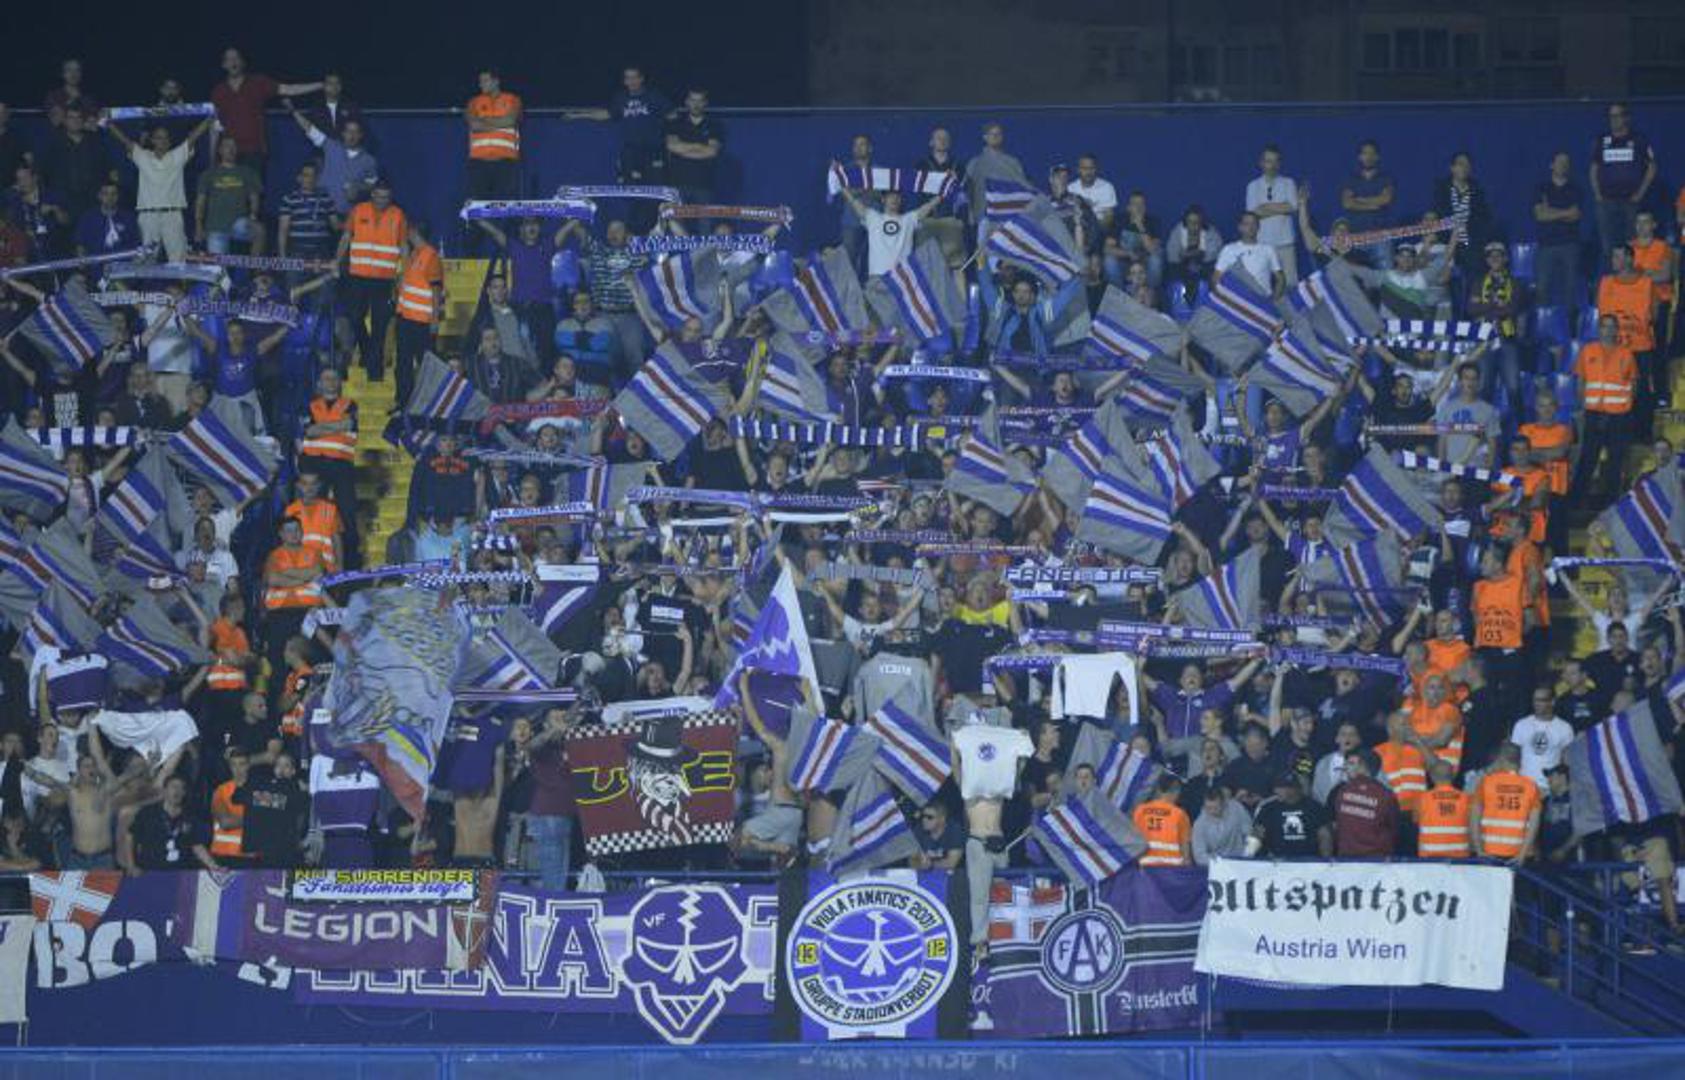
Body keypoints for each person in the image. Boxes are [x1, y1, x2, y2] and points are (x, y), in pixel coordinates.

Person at [952, 715, 1031, 961]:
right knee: (979, 896)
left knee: (1006, 892)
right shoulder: (968, 783)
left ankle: (1011, 937)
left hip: (1000, 843)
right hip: (978, 842)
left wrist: (1022, 745)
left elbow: (1016, 772)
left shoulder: (998, 778)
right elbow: (956, 768)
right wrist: (954, 744)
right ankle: (980, 943)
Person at [103, 113, 213, 263]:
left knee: (178, 260)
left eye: (165, 138)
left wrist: (208, 120)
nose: (163, 140)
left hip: (172, 215)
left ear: (169, 141)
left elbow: (193, 138)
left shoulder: (177, 156)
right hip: (148, 216)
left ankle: (178, 279)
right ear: (152, 140)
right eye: (159, 137)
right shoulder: (143, 156)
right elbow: (125, 141)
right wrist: (109, 124)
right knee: (146, 261)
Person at [337, 177, 407, 379]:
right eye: (378, 196)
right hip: (358, 276)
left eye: (386, 197)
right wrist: (336, 260)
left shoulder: (398, 215)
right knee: (354, 318)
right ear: (372, 194)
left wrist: (404, 272)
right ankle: (368, 352)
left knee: (380, 325)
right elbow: (346, 237)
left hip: (383, 279)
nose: (382, 200)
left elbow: (403, 245)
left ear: (390, 197)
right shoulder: (359, 210)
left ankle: (374, 373)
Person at [210, 46, 322, 170]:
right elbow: (215, 126)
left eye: (236, 58)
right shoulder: (218, 91)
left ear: (243, 62)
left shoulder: (258, 82)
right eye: (229, 59)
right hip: (229, 153)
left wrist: (321, 85)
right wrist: (212, 157)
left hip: (254, 151)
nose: (233, 62)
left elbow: (289, 89)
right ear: (224, 65)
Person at [1570, 314, 1638, 503]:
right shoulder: (1587, 351)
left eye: (1612, 326)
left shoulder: (1626, 354)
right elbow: (1581, 381)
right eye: (1604, 326)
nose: (1608, 330)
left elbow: (1633, 385)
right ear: (1598, 329)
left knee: (1615, 459)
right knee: (1588, 458)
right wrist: (1585, 405)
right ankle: (1576, 500)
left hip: (1618, 416)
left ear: (1617, 330)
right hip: (1594, 413)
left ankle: (1611, 501)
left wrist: (1625, 406)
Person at [283, 100, 378, 215]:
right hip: (321, 213)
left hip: (347, 215)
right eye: (348, 131)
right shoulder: (331, 146)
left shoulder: (369, 161)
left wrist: (358, 188)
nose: (352, 136)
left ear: (361, 135)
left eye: (355, 132)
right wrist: (292, 110)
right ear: (343, 133)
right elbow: (309, 128)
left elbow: (372, 185)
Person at [1590, 102, 1657, 260]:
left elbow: (1652, 167)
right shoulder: (1602, 140)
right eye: (1611, 116)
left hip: (1631, 201)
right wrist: (1598, 195)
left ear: (1626, 118)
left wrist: (1640, 194)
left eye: (1617, 115)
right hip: (1607, 202)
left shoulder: (1639, 139)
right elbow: (1593, 169)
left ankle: (1632, 273)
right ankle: (1612, 274)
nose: (1614, 120)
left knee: (1632, 243)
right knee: (1608, 244)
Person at [394, 220, 446, 406]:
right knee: (403, 364)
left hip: (422, 321)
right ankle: (403, 402)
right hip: (405, 318)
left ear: (414, 231)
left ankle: (430, 403)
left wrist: (434, 320)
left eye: (408, 230)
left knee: (426, 365)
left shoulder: (431, 256)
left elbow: (436, 290)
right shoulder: (414, 254)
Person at [837, 184, 939, 275]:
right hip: (878, 278)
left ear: (901, 200)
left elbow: (929, 206)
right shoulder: (873, 217)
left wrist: (942, 193)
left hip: (903, 280)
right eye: (890, 196)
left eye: (897, 196)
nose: (894, 199)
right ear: (883, 200)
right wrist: (842, 186)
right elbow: (853, 202)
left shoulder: (909, 219)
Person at [1471, 742, 1542, 864]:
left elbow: (1474, 819)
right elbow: (1534, 824)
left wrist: (1479, 851)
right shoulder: (1531, 786)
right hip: (1518, 854)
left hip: (1489, 851)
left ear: (1501, 758)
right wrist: (1522, 855)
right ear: (1520, 760)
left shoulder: (1486, 782)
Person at [232, 751, 307, 867]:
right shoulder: (262, 783)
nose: (281, 768)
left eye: (286, 765)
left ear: (293, 771)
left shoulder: (296, 788)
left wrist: (257, 798)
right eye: (278, 764)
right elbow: (237, 797)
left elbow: (291, 803)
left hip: (282, 850)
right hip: (256, 849)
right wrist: (273, 800)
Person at [126, 774, 216, 871]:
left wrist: (213, 865)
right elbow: (130, 837)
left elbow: (197, 845)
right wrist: (131, 865)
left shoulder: (190, 817)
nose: (178, 791)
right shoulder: (147, 814)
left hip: (181, 871)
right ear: (164, 790)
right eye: (174, 787)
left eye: (182, 788)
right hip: (151, 870)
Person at [194, 134, 264, 255]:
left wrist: (253, 215)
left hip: (239, 224)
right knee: (217, 265)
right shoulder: (209, 174)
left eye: (233, 146)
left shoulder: (247, 172)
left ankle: (254, 266)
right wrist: (198, 226)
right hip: (215, 227)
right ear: (220, 150)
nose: (231, 149)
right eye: (227, 146)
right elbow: (200, 202)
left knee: (259, 231)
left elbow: (254, 198)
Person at [1533, 150, 1584, 314]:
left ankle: (1570, 325)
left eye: (1566, 162)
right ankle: (1543, 324)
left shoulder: (1576, 190)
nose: (1563, 165)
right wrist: (1565, 212)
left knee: (1570, 288)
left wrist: (1551, 211)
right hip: (1546, 245)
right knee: (1542, 288)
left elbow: (1575, 215)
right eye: (1559, 161)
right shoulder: (1541, 188)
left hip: (1570, 244)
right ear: (1551, 165)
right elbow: (1540, 215)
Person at [1244, 145, 1299, 286]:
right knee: (1262, 284)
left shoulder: (1288, 183)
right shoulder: (1253, 186)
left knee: (1290, 283)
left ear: (1280, 163)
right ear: (1261, 163)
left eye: (1276, 161)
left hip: (1285, 242)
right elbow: (1253, 213)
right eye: (1269, 161)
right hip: (1262, 243)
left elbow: (1293, 206)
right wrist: (1281, 207)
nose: (1272, 166)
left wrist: (1265, 207)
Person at [1330, 748, 1400, 857]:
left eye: (1350, 763)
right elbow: (1394, 829)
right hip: (1379, 860)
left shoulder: (1341, 791)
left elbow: (1334, 827)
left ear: (1363, 766)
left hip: (1346, 860)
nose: (1345, 767)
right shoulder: (1386, 795)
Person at [664, 88, 723, 206]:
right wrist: (698, 146)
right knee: (675, 218)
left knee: (704, 218)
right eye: (693, 100)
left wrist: (683, 150)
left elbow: (712, 151)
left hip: (704, 184)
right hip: (677, 183)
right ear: (687, 102)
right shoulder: (675, 124)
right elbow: (672, 146)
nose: (696, 104)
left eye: (700, 101)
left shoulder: (714, 125)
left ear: (705, 103)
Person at [1340, 139, 1395, 264]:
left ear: (1377, 157)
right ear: (1359, 157)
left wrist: (1359, 200)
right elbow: (1347, 203)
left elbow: (1386, 199)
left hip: (1381, 236)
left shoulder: (1386, 178)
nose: (1368, 157)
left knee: (1385, 274)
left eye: (1372, 153)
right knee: (1357, 274)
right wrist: (1372, 205)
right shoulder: (1351, 179)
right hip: (1357, 236)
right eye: (1365, 153)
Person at [1252, 772, 1331, 858]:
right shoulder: (1268, 808)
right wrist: (1251, 857)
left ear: (1295, 789)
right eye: (1276, 787)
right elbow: (1257, 834)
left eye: (1282, 787)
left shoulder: (1314, 807)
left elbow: (1324, 836)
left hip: (1308, 860)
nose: (1276, 791)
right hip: (1276, 861)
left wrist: (1325, 861)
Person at [1511, 687, 1575, 786]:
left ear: (1552, 702)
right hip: (1525, 786)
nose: (1537, 704)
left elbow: (1568, 760)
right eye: (1535, 700)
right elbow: (1513, 757)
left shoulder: (1565, 728)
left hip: (1551, 787)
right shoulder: (1521, 725)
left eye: (1541, 700)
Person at [1214, 211, 1282, 296]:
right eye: (1246, 224)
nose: (1251, 227)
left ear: (1258, 227)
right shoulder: (1229, 249)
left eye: (1254, 224)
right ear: (1240, 227)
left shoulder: (1268, 249)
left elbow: (1280, 279)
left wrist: (1274, 299)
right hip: (1239, 300)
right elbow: (1216, 278)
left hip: (1263, 299)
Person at [1132, 773, 1192, 867]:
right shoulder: (1180, 814)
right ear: (1176, 791)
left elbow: (1132, 838)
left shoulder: (1140, 810)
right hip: (1172, 867)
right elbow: (1185, 846)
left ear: (1158, 790)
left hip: (1145, 865)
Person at [1416, 761, 1472, 859]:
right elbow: (1472, 823)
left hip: (1429, 854)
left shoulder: (1422, 798)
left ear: (1432, 777)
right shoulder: (1466, 798)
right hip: (1459, 854)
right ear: (1453, 775)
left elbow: (1416, 820)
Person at [1191, 786, 1251, 865]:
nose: (1212, 811)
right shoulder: (1199, 825)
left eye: (1215, 808)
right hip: (1216, 866)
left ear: (1223, 804)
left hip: (1239, 861)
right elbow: (1199, 856)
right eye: (1208, 808)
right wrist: (1220, 863)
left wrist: (1247, 855)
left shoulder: (1237, 809)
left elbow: (1248, 832)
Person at [912, 798, 965, 871]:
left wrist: (930, 864)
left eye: (929, 817)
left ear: (942, 819)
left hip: (953, 874)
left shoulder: (954, 830)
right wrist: (918, 863)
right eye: (923, 816)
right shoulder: (918, 829)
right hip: (924, 873)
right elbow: (912, 860)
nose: (924, 820)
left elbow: (952, 863)